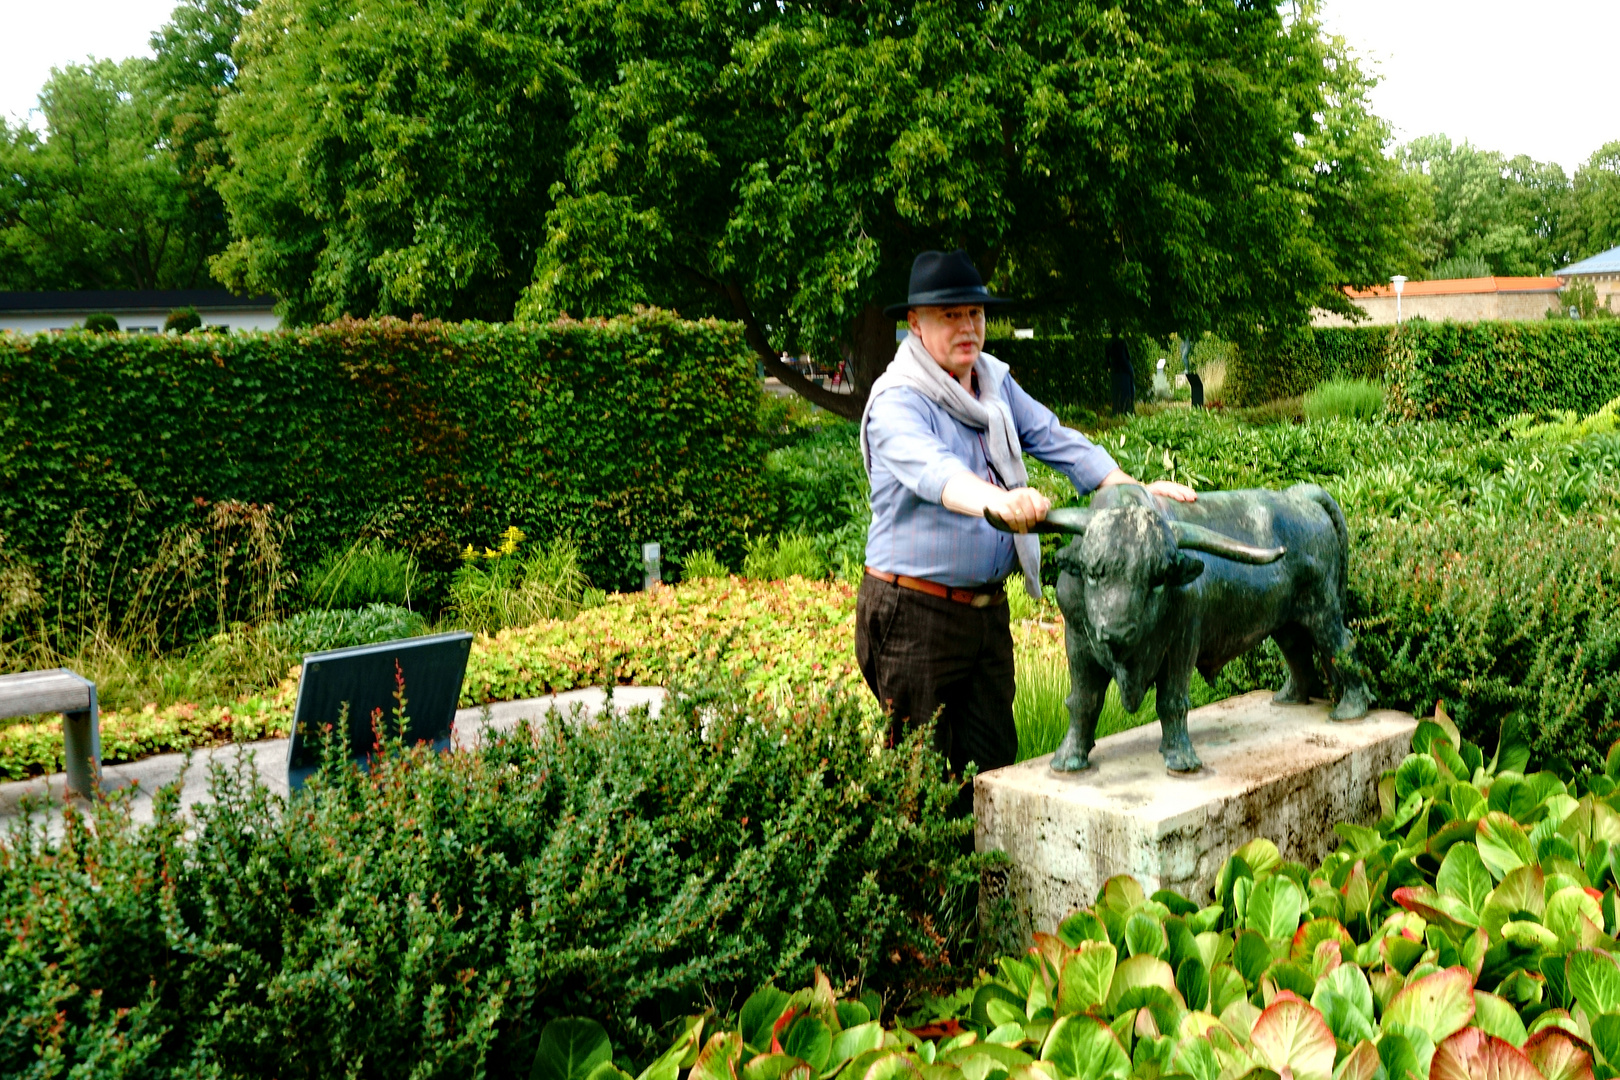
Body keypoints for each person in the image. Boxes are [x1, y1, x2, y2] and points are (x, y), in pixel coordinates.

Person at [857, 249, 1195, 811]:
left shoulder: (992, 382)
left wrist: (1130, 492)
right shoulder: (897, 400)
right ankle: (921, 898)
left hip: (984, 614)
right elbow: (934, 471)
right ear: (915, 325)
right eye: (949, 316)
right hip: (912, 615)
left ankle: (988, 896)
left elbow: (1055, 438)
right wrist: (1001, 502)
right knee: (919, 787)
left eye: (975, 314)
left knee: (993, 772)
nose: (967, 327)